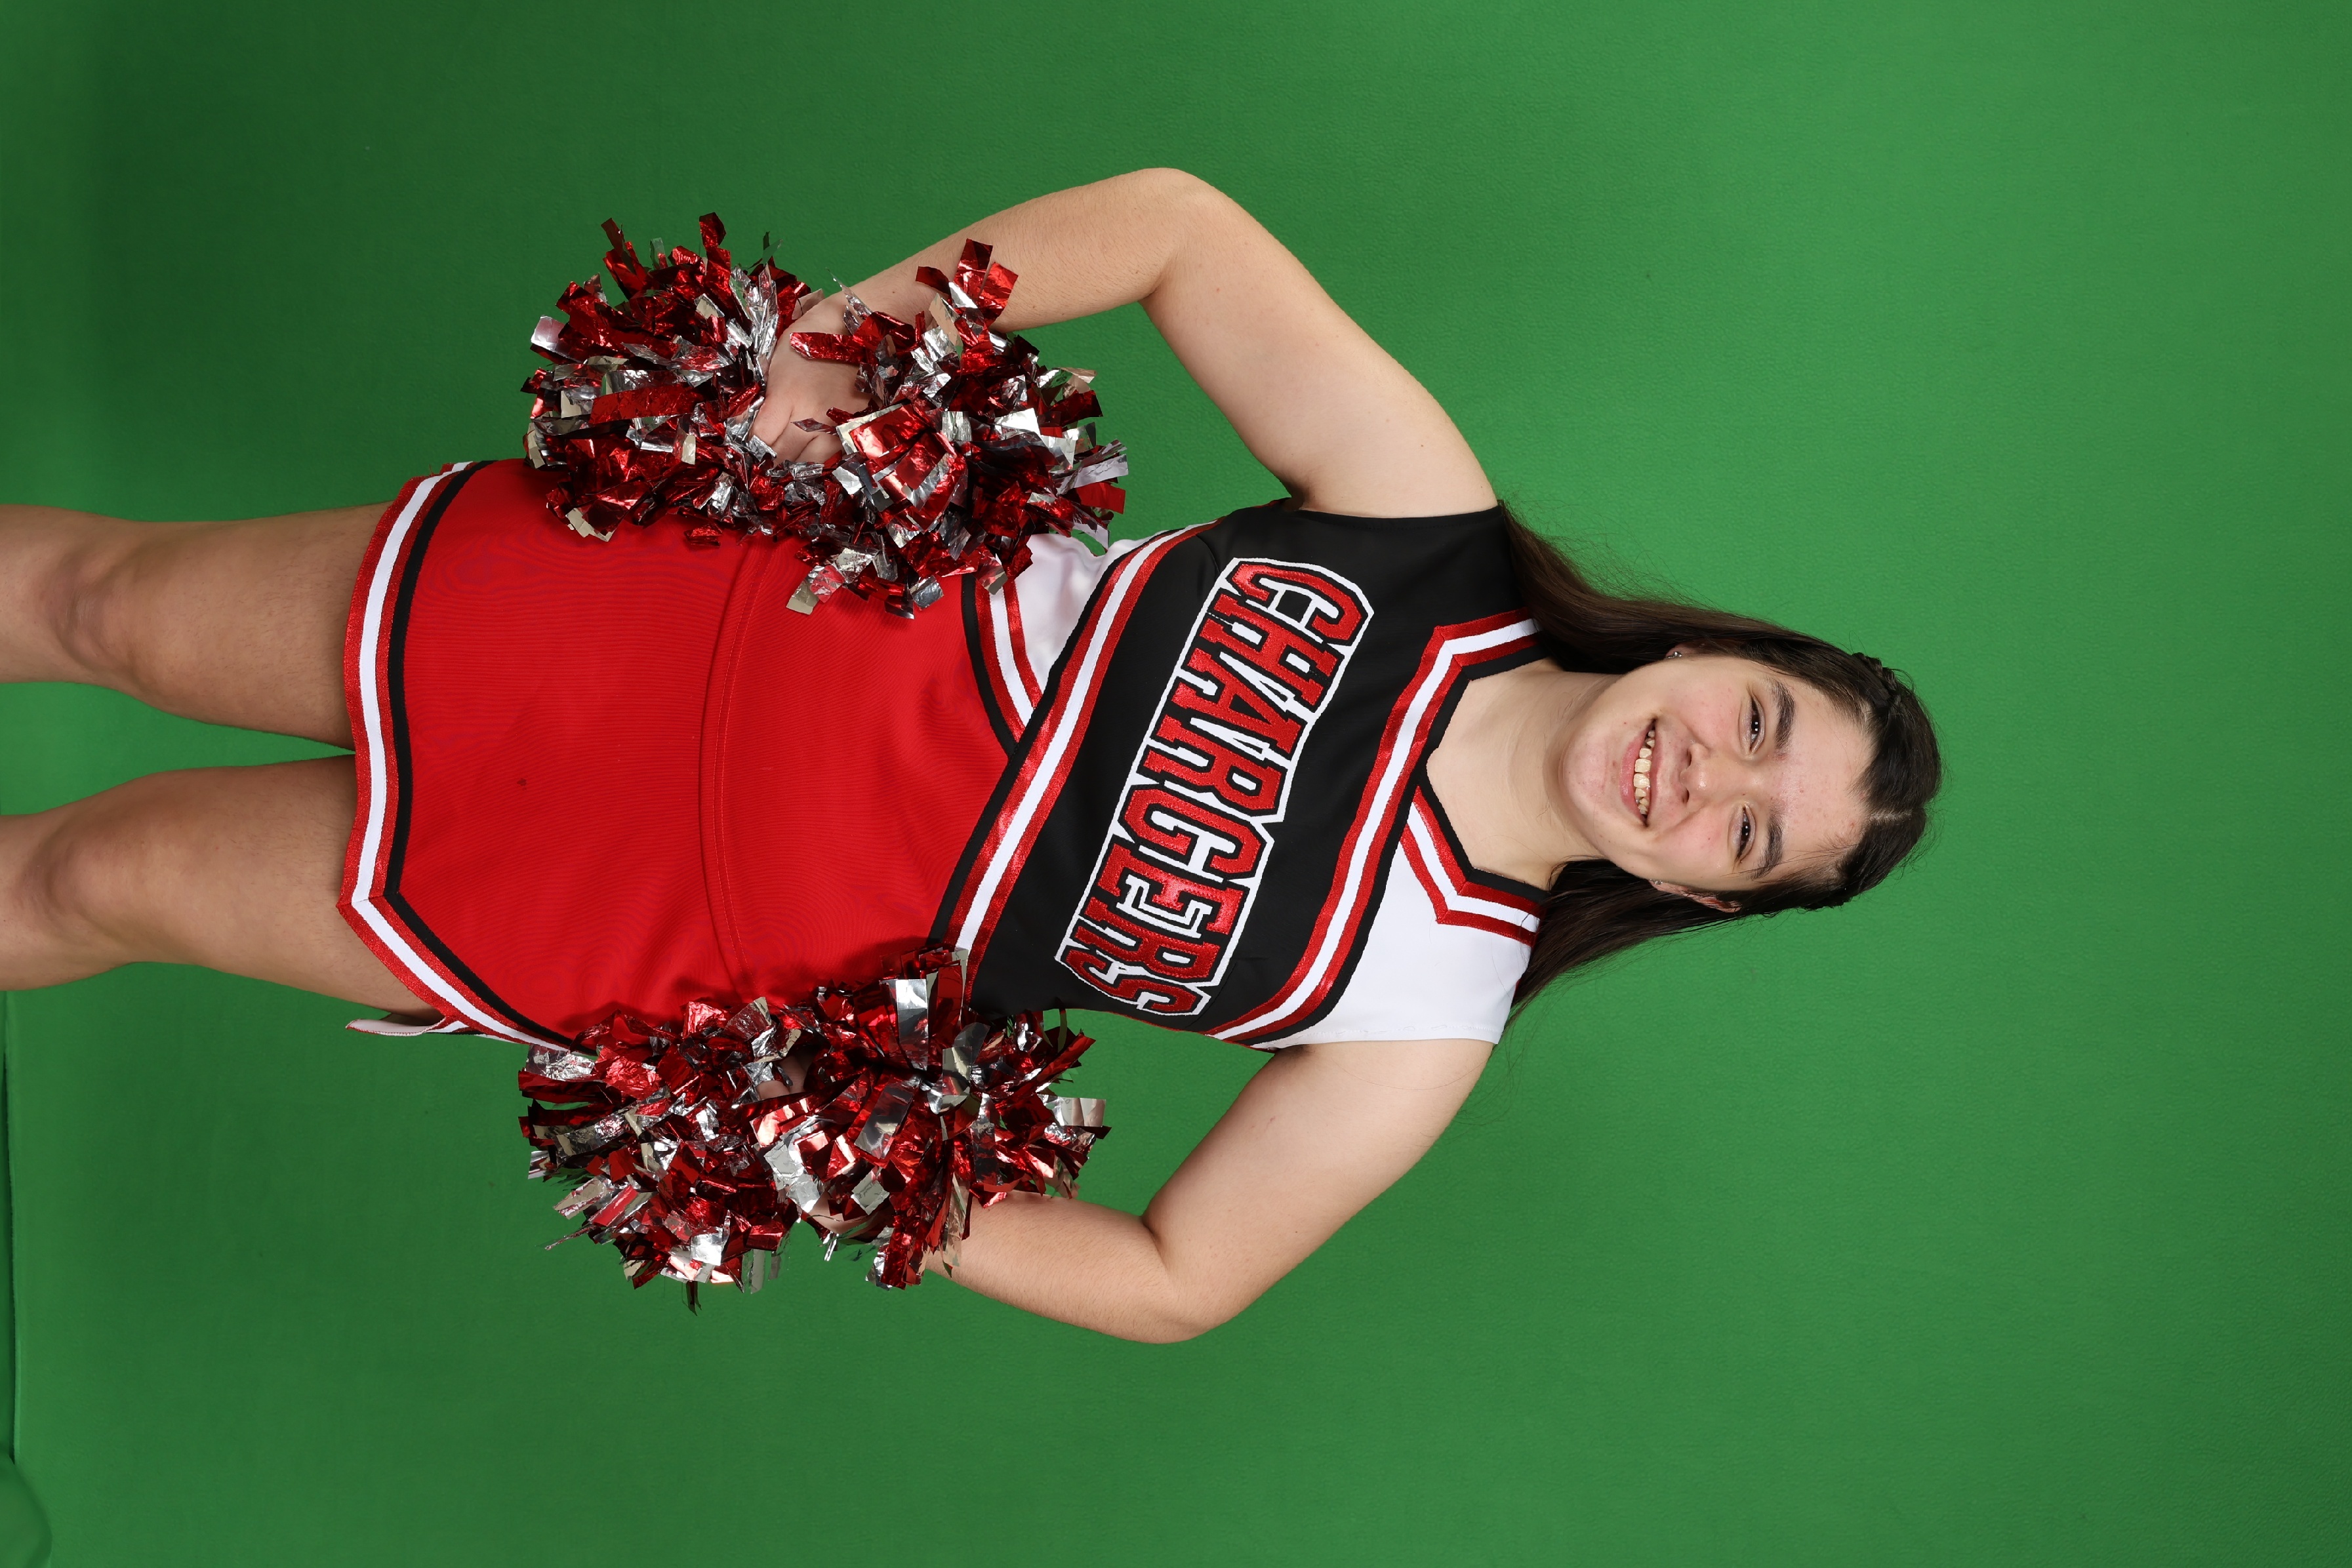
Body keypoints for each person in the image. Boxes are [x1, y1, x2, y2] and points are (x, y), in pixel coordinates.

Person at [0, 169, 1938, 1340]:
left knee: (104, 878)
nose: (1708, 777)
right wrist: (839, 348)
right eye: (1758, 724)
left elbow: (1177, 1279)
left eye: (1750, 836)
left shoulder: (1425, 1012)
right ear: (1711, 653)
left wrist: (833, 1149)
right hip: (688, 607)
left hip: (664, 918)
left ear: (1698, 895)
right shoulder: (1430, 532)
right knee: (115, 609)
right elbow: (1182, 230)